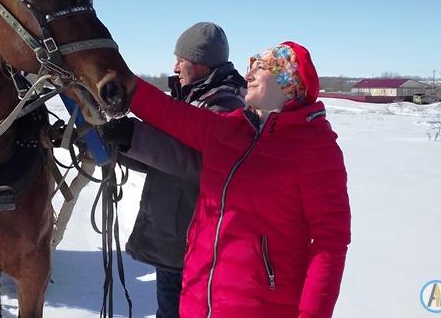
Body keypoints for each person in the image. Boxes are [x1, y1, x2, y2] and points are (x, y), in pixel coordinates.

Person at [123, 41, 351, 318]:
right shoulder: (227, 129)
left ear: (288, 82)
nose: (247, 76)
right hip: (196, 304)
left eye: (261, 68)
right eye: (249, 68)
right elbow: (165, 111)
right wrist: (111, 73)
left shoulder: (316, 148)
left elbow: (330, 243)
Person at [102, 22, 246, 318]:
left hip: (192, 239)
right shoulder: (188, 98)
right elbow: (161, 158)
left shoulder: (224, 105)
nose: (175, 66)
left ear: (202, 64)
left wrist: (135, 137)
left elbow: (197, 163)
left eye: (183, 60)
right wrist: (118, 145)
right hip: (173, 236)